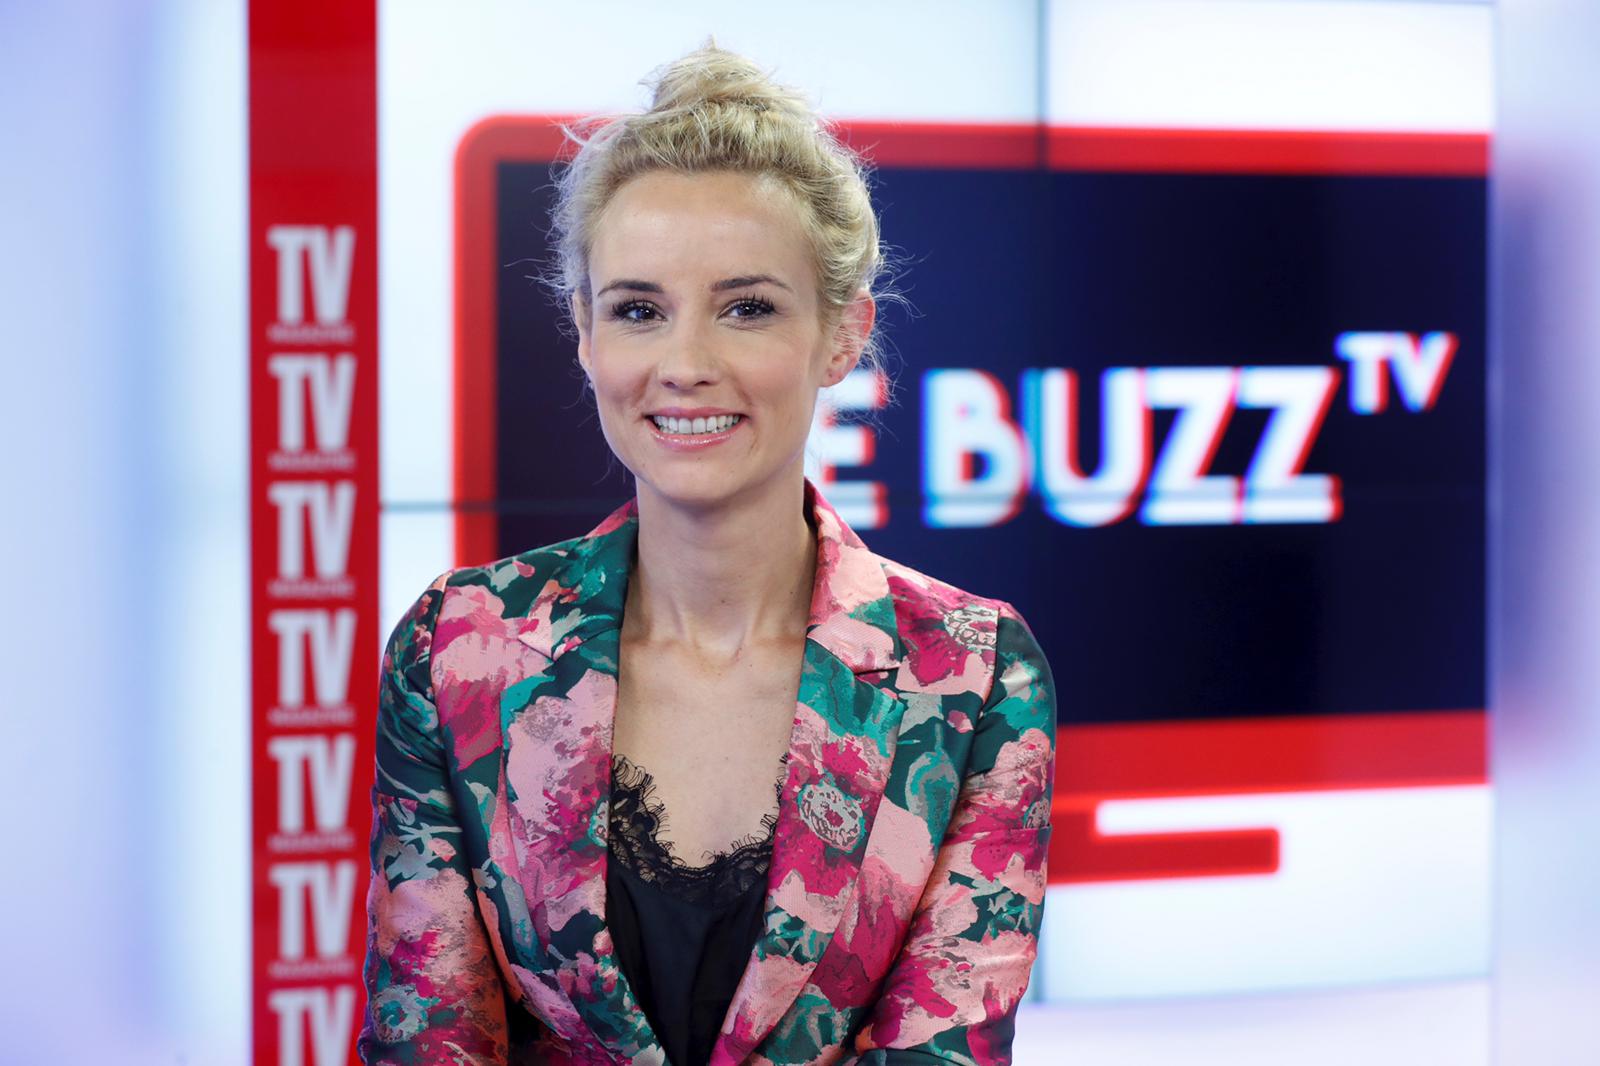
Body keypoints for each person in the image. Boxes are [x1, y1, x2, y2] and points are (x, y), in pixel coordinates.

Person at [359, 40, 1056, 1066]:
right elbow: (426, 1036)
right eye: (639, 311)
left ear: (841, 335)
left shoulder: (973, 672)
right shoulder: (457, 646)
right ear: (585, 333)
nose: (685, 364)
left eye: (746, 308)